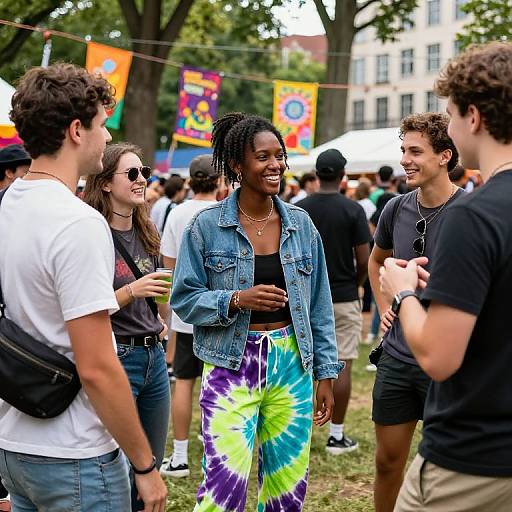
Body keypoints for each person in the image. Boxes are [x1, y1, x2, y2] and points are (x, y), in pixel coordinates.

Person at [0, 63, 167, 512]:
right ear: (77, 130)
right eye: (102, 124)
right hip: (75, 454)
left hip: (16, 443)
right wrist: (146, 467)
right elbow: (97, 366)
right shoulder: (77, 221)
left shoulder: (8, 202)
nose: (108, 137)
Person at [170, 112, 342, 511]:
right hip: (231, 362)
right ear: (237, 165)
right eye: (263, 157)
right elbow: (183, 298)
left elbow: (319, 303)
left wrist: (326, 373)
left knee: (287, 484)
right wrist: (234, 299)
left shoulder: (301, 224)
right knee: (223, 485)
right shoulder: (206, 226)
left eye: (279, 156)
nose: (275, 165)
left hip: (291, 361)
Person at [379, 41, 512, 512]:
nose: (452, 127)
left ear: (473, 117)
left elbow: (437, 356)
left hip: (474, 458)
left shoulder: (472, 215)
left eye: (452, 114)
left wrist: (402, 295)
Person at [368, 112, 463, 512]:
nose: (405, 159)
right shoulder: (394, 209)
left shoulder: (470, 212)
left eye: (416, 151)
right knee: (387, 462)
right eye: (403, 150)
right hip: (397, 357)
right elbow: (376, 262)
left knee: (449, 472)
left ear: (444, 156)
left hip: (447, 362)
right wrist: (387, 304)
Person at [83, 142, 171, 511]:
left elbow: (155, 292)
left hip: (153, 357)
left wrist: (159, 320)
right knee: (117, 469)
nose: (141, 181)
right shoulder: (92, 232)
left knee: (151, 463)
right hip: (118, 356)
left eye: (144, 173)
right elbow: (87, 307)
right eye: (131, 174)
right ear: (105, 183)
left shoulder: (146, 228)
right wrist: (131, 291)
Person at [297, 149, 370, 455]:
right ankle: (336, 436)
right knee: (341, 365)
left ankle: (296, 432)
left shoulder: (298, 209)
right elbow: (364, 260)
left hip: (303, 297)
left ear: (315, 174)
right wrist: (355, 284)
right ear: (343, 176)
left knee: (298, 366)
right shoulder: (353, 210)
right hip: (342, 295)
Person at [159, 155, 221, 478]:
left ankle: (180, 456)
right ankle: (216, 450)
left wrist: (165, 311)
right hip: (222, 311)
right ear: (219, 179)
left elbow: (168, 269)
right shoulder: (225, 212)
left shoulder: (176, 213)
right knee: (217, 383)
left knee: (184, 381)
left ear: (189, 181)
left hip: (186, 314)